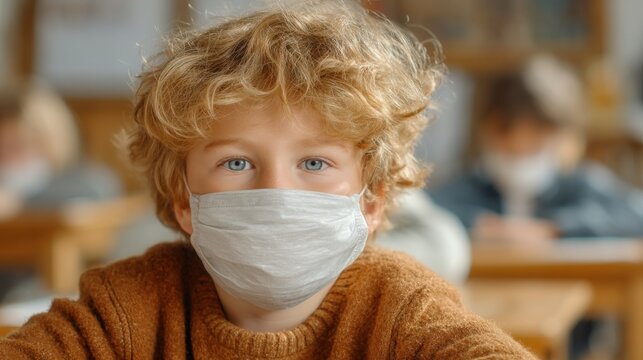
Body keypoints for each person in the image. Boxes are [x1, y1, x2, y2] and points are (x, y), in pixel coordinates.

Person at [0, 2, 534, 358]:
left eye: (314, 164)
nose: (276, 192)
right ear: (183, 201)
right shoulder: (128, 306)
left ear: (371, 201)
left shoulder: (400, 307)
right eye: (236, 163)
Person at [431, 55, 643, 244]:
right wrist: (480, 227)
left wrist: (555, 229)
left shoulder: (583, 186)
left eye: (538, 133)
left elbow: (636, 215)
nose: (520, 146)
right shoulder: (461, 192)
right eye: (505, 131)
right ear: (487, 130)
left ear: (561, 135)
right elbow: (421, 216)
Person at [0, 81, 121, 302]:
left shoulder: (81, 179)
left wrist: (18, 201)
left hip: (41, 294)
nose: (10, 158)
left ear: (50, 140)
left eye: (18, 146)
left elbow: (101, 189)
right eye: (2, 148)